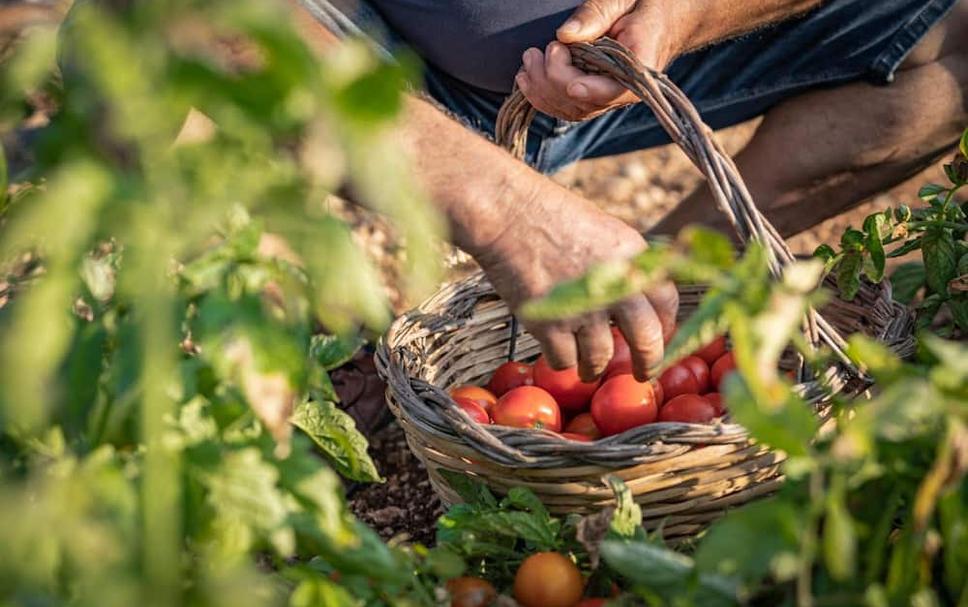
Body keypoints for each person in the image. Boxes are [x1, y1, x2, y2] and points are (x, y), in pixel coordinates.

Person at [291, 0, 968, 383]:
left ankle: (659, 293)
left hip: (655, 55)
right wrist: (503, 210)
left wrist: (683, 16)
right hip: (379, 65)